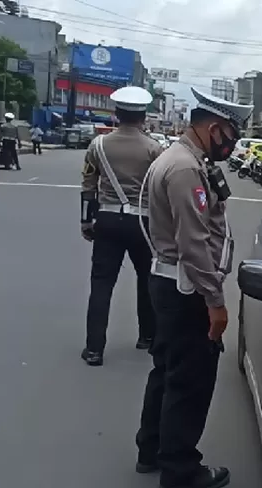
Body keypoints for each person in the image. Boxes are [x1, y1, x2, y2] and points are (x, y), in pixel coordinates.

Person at [134, 88, 251, 488]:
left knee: (166, 372)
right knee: (190, 381)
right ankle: (180, 469)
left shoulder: (182, 159)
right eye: (231, 137)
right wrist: (215, 302)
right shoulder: (185, 169)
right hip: (187, 290)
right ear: (214, 128)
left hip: (169, 283)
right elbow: (194, 244)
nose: (232, 146)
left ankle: (151, 449)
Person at [80, 86, 163, 367]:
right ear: (143, 117)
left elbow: (88, 186)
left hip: (107, 219)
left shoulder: (98, 145)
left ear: (116, 114)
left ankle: (94, 349)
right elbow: (161, 190)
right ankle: (148, 337)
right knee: (146, 280)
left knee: (102, 284)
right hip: (143, 223)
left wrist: (85, 220)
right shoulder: (155, 149)